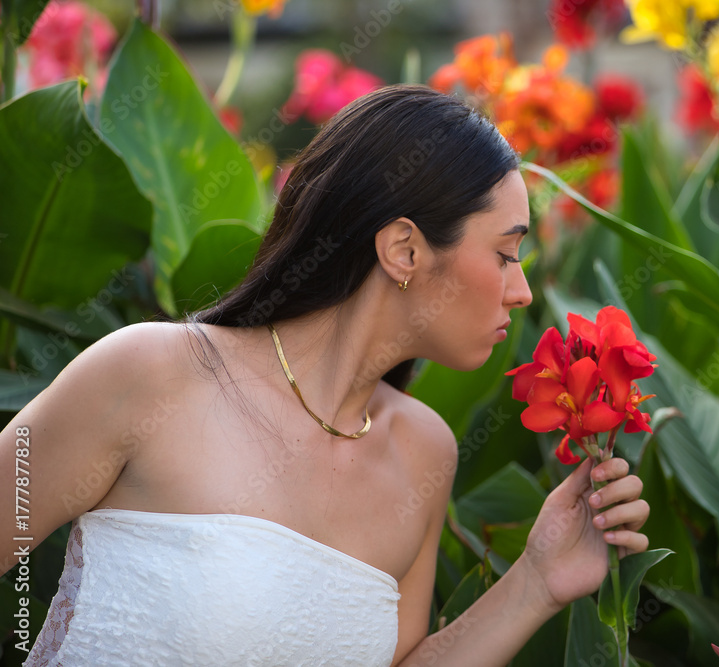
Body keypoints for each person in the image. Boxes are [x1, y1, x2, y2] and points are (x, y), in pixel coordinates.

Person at [1, 84, 649, 665]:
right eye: (506, 254)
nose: (524, 291)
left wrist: (536, 581)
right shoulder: (153, 373)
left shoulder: (423, 454)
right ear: (404, 249)